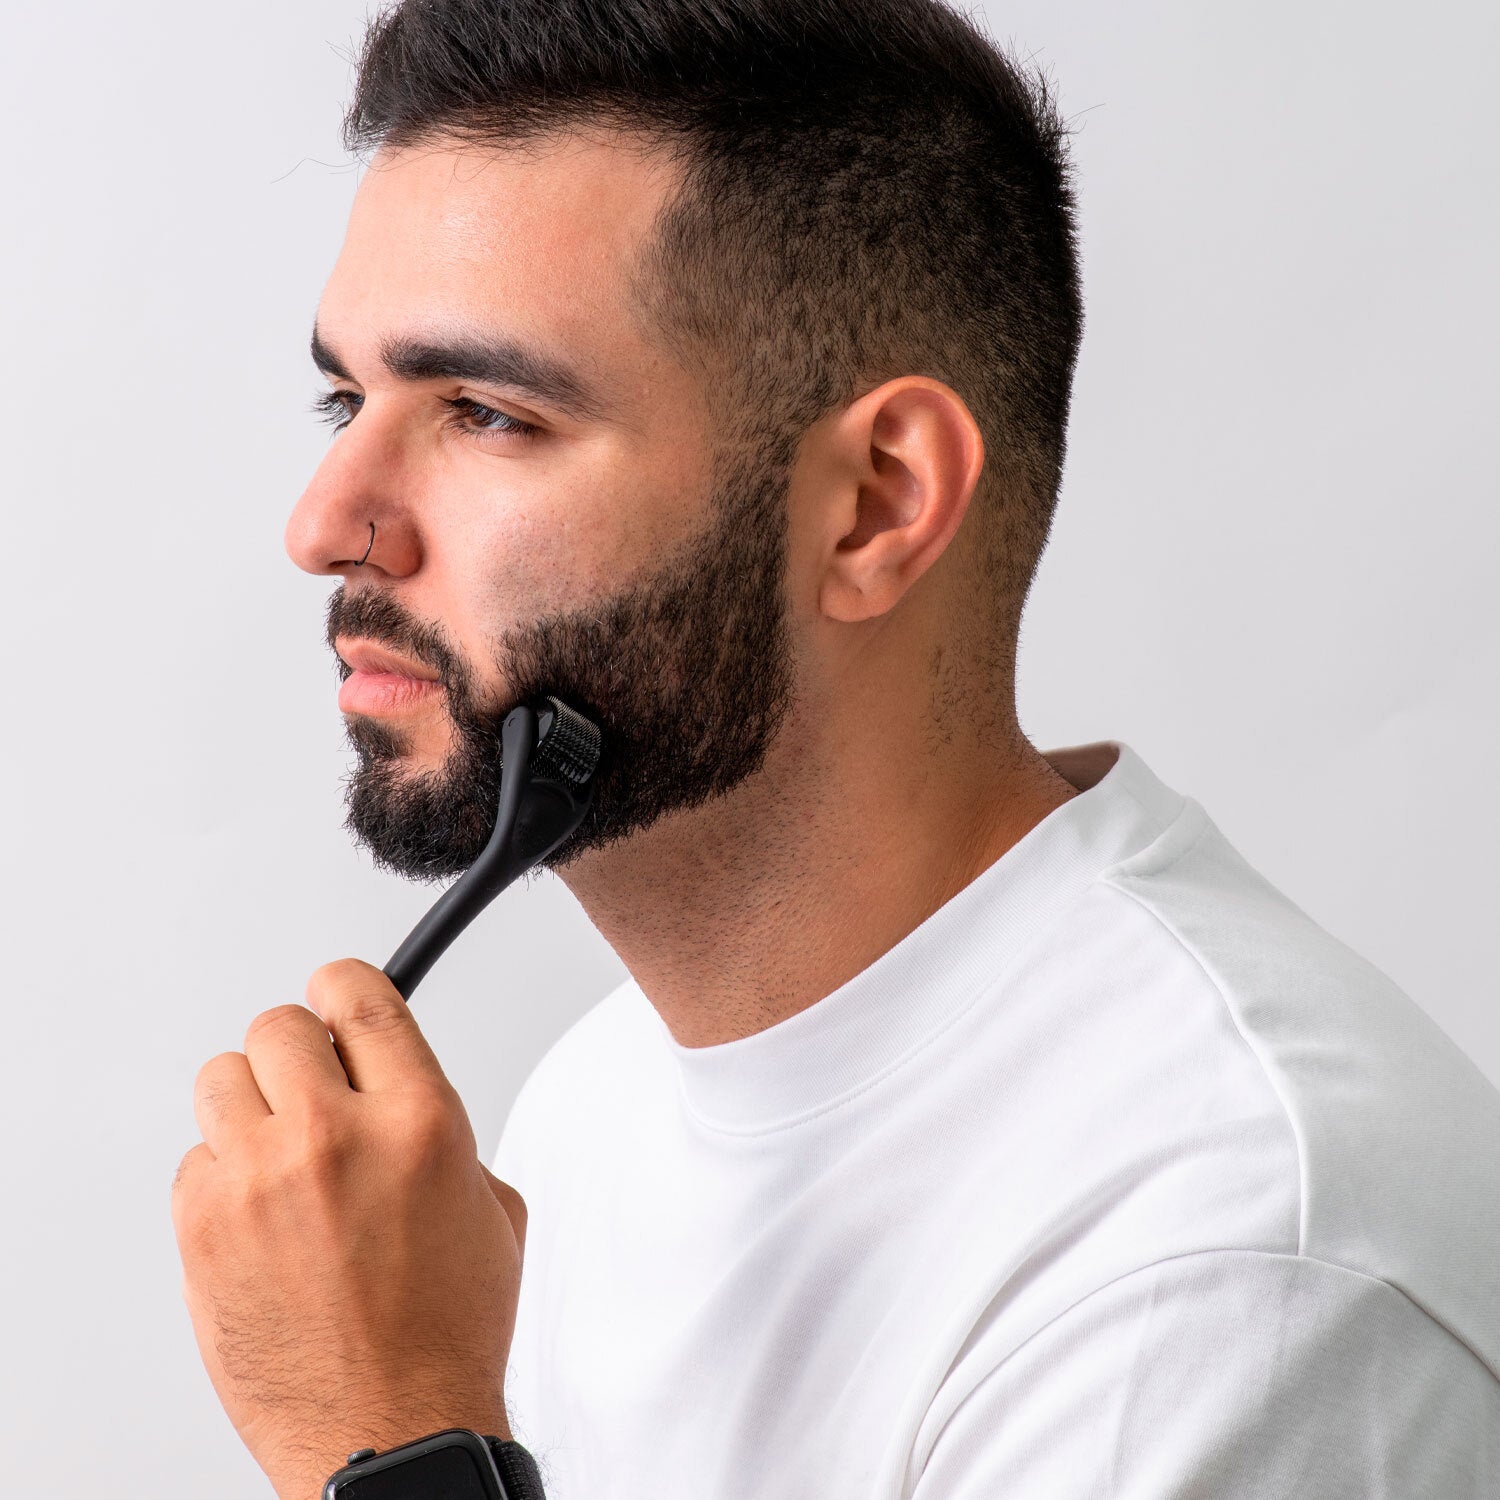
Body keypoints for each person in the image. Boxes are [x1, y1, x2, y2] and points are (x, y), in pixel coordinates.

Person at [170, 0, 1500, 1495]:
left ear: (873, 503)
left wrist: (389, 1433)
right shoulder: (595, 1109)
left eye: (484, 412)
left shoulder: (1225, 1271)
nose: (322, 525)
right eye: (349, 398)